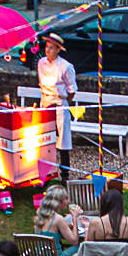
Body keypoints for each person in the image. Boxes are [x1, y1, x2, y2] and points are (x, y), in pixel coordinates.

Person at [37, 32, 79, 170]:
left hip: (59, 104)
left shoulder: (66, 66)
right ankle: (45, 172)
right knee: (44, 140)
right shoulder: (41, 63)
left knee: (63, 141)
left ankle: (65, 173)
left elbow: (72, 90)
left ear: (58, 49)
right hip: (45, 103)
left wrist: (64, 102)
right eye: (46, 47)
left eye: (51, 47)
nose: (47, 50)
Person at [35, 184, 84, 256]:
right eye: (66, 198)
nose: (68, 201)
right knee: (79, 247)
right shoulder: (58, 219)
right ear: (58, 202)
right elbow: (74, 241)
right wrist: (74, 217)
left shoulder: (39, 217)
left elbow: (50, 231)